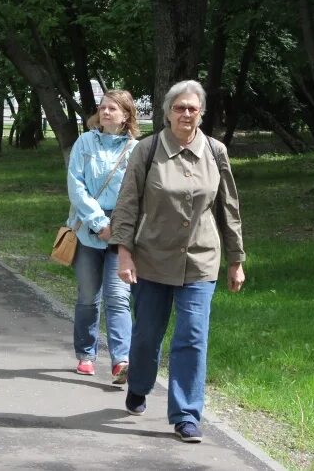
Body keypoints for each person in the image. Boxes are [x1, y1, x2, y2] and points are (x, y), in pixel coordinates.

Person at [110, 79, 245, 444]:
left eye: (192, 108)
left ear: (201, 112)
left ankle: (186, 415)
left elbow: (228, 209)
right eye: (179, 107)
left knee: (193, 336)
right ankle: (138, 385)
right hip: (151, 258)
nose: (186, 113)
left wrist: (236, 259)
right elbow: (127, 203)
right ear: (167, 111)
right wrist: (124, 252)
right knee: (147, 335)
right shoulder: (148, 150)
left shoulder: (216, 152)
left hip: (200, 260)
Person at [65, 90, 140, 383]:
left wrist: (117, 227)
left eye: (113, 109)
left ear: (126, 116)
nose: (106, 112)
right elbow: (76, 186)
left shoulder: (136, 150)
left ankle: (122, 360)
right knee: (88, 297)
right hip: (87, 231)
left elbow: (136, 194)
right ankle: (86, 353)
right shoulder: (84, 143)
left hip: (121, 232)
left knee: (119, 298)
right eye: (103, 108)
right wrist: (99, 223)